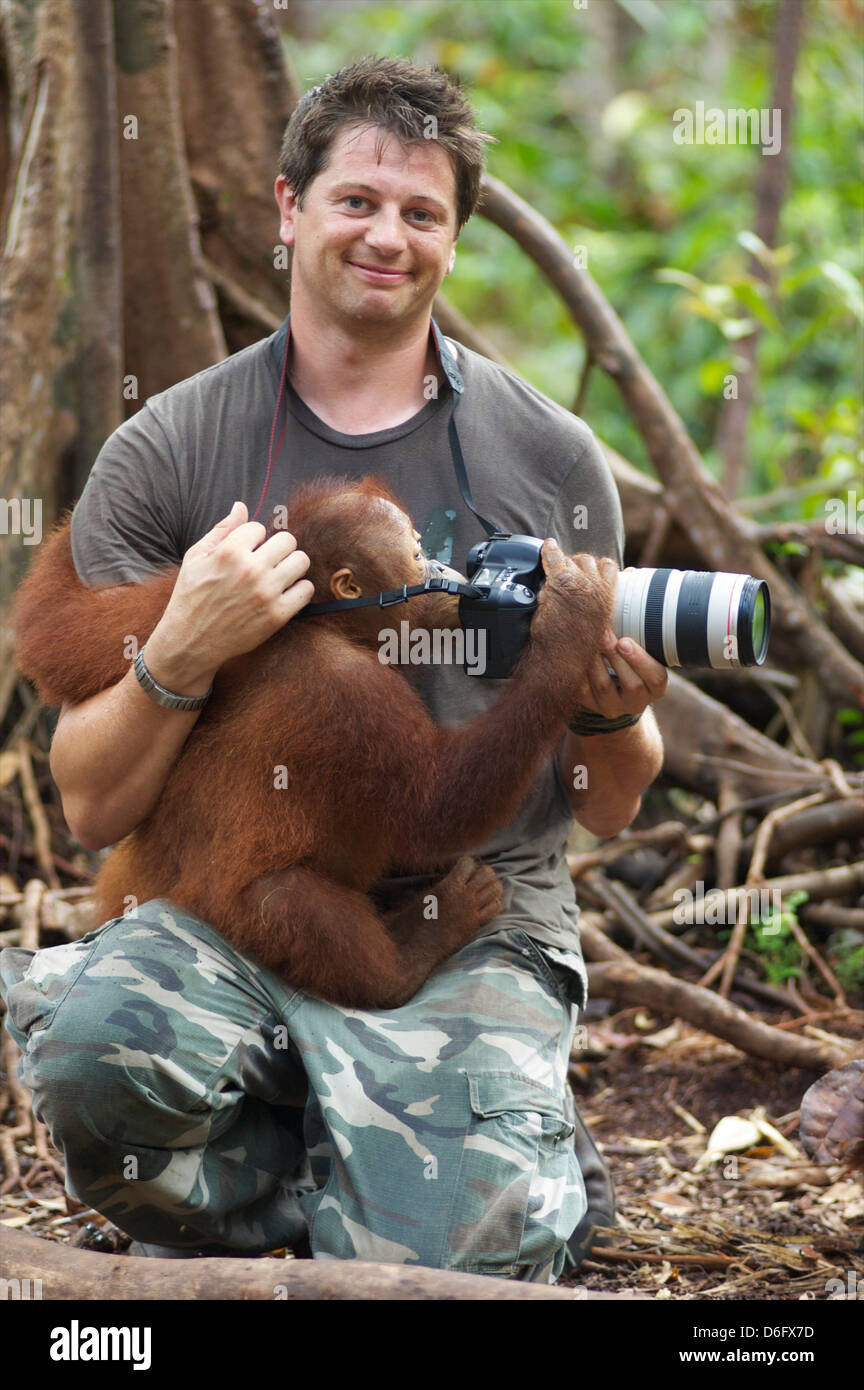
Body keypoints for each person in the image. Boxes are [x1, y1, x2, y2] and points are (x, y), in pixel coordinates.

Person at [0, 57, 667, 1282]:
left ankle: (460, 1148)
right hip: (222, 897)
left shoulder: (550, 454)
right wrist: (188, 641)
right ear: (289, 207)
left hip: (467, 911)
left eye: (422, 212)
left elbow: (597, 801)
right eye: (357, 199)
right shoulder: (175, 448)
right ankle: (355, 1154)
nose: (388, 234)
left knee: (463, 1244)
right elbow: (81, 761)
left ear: (456, 241)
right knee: (94, 1073)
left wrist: (602, 703)